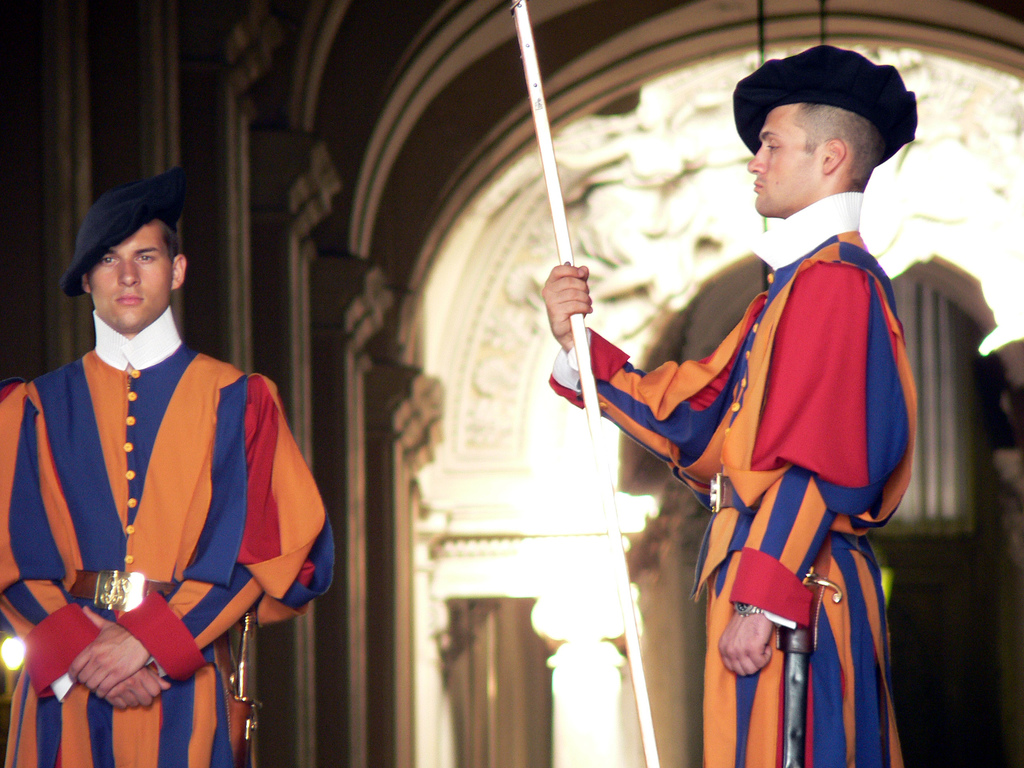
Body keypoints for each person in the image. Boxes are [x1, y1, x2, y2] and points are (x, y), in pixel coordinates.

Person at [542, 46, 917, 767]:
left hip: (797, 592)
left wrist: (762, 597)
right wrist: (577, 344)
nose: (755, 162)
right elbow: (698, 418)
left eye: (772, 145)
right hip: (773, 583)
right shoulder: (790, 292)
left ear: (832, 157)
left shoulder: (835, 283)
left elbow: (820, 460)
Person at [0, 167, 333, 767]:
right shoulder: (29, 408)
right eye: (108, 259)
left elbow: (270, 547)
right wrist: (85, 653)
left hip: (183, 682)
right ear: (86, 279)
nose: (127, 275)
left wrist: (149, 645)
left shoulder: (239, 402)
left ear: (176, 271)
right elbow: (6, 552)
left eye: (146, 255)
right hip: (61, 692)